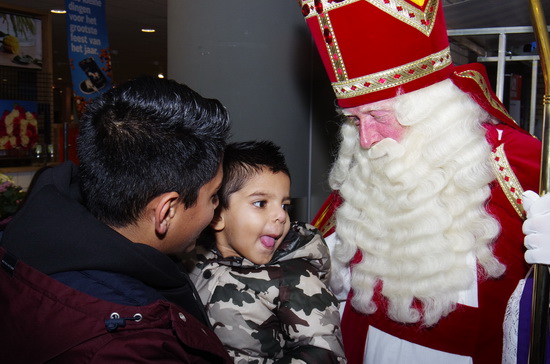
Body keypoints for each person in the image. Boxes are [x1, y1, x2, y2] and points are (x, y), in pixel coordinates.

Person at [297, 0, 542, 363]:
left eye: (377, 115)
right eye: (353, 120)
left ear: (429, 108)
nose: (366, 140)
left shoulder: (514, 160)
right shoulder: (367, 170)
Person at [0, 76, 233, 363]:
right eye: (213, 196)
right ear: (166, 212)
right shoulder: (132, 346)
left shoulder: (27, 237)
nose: (216, 209)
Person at [187, 140, 346, 363]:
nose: (281, 216)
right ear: (217, 214)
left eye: (285, 205)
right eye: (261, 203)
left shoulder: (295, 277)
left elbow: (324, 353)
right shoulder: (193, 258)